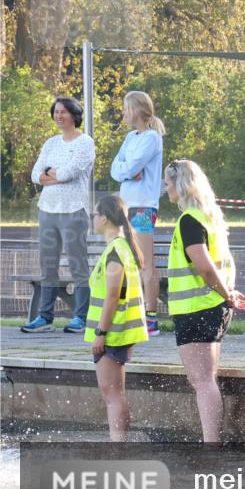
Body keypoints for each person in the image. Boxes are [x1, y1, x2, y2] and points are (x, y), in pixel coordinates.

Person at [163, 160, 245, 442]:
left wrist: (227, 295)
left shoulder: (189, 219)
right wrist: (228, 295)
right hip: (210, 306)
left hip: (197, 308)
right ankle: (212, 443)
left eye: (168, 183)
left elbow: (204, 265)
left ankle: (212, 446)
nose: (166, 189)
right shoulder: (209, 216)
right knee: (204, 379)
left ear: (181, 184)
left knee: (202, 381)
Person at [21, 97, 96, 334]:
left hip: (74, 211)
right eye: (56, 112)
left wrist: (51, 175)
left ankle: (81, 317)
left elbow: (71, 171)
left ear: (74, 114)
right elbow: (35, 175)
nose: (58, 115)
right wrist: (52, 175)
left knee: (78, 266)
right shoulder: (50, 143)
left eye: (63, 111)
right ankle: (45, 318)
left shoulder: (85, 143)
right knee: (48, 265)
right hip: (47, 210)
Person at [85, 195, 149, 441]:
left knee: (112, 395)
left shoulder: (115, 252)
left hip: (112, 332)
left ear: (103, 218)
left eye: (94, 214)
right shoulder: (122, 246)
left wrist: (100, 333)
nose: (92, 218)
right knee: (114, 394)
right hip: (117, 331)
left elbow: (113, 296)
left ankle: (118, 448)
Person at [110, 91, 165, 336]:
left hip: (143, 206)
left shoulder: (152, 138)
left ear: (136, 110)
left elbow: (132, 166)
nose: (122, 112)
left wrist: (128, 170)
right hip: (125, 206)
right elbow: (117, 168)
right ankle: (130, 312)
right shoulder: (130, 138)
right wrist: (127, 171)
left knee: (145, 263)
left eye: (125, 108)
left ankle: (151, 317)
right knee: (125, 262)